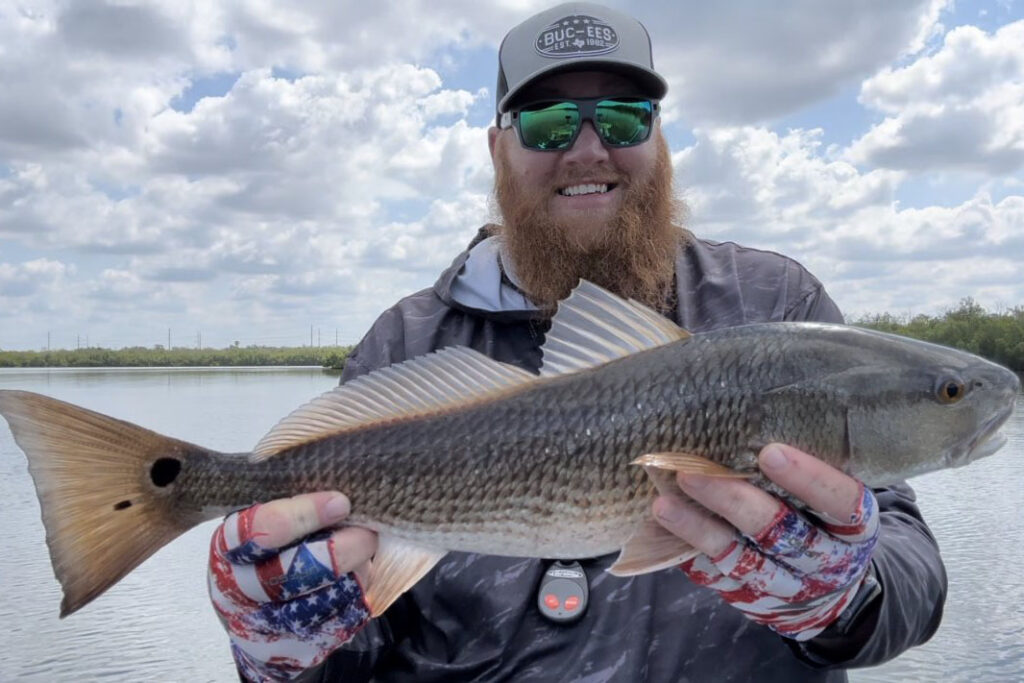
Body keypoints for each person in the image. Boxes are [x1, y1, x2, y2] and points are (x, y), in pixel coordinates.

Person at [207, 4, 947, 681]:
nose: (588, 149)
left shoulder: (774, 306)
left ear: (659, 138)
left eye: (624, 119)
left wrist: (849, 597)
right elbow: (351, 645)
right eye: (549, 122)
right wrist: (274, 649)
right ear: (498, 148)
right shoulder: (406, 342)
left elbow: (908, 561)